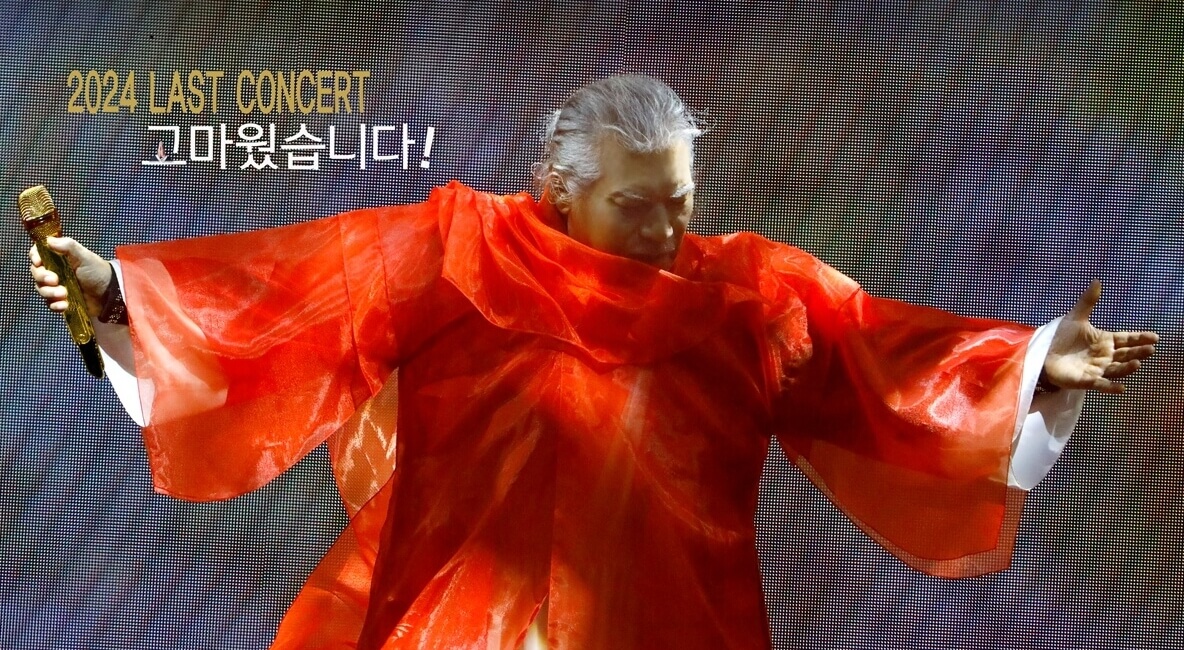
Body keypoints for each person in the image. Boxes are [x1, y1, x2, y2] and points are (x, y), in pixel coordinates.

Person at [29, 75, 1157, 649]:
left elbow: (881, 354)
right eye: (634, 205)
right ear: (562, 192)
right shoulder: (452, 256)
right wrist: (117, 292)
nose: (664, 231)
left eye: (679, 202)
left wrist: (1028, 366)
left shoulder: (746, 298)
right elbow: (289, 300)